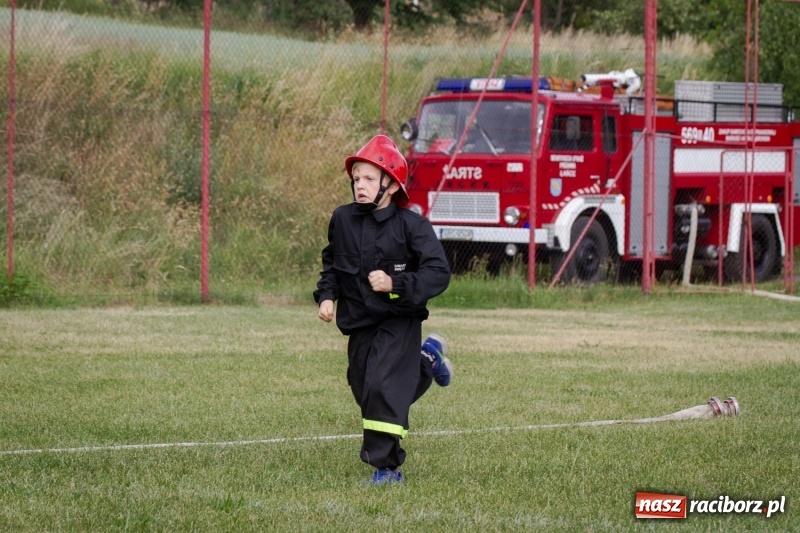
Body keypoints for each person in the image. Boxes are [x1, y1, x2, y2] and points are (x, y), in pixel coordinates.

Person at [314, 134, 453, 486]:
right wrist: (327, 296)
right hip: (360, 322)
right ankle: (428, 362)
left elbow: (439, 273)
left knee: (382, 388)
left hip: (399, 319)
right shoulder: (342, 220)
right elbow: (331, 264)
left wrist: (396, 285)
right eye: (356, 179)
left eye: (369, 179)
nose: (360, 186)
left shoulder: (412, 226)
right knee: (363, 386)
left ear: (390, 185)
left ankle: (388, 468)